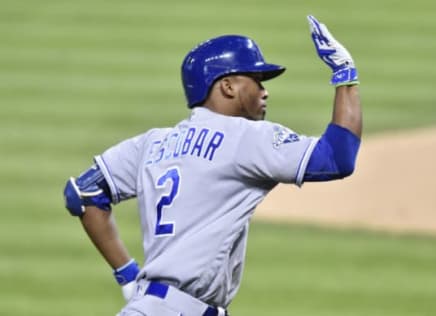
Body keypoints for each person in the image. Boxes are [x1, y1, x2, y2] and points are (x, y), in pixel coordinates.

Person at [63, 15, 362, 316]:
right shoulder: (246, 138)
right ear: (227, 86)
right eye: (256, 81)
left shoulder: (152, 143)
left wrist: (127, 276)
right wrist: (344, 74)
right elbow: (337, 157)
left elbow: (84, 193)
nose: (264, 91)